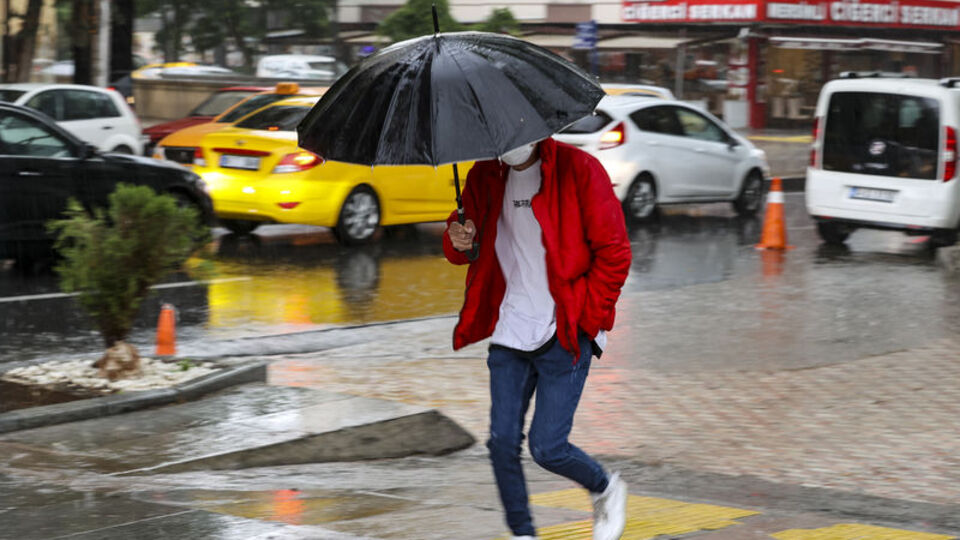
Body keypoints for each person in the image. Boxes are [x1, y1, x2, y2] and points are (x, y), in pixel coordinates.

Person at [443, 136, 632, 540]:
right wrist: (459, 240)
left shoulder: (578, 169)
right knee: (501, 442)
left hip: (564, 329)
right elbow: (464, 248)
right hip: (511, 328)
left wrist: (586, 318)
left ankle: (605, 487)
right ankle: (523, 533)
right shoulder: (484, 175)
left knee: (548, 448)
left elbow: (615, 252)